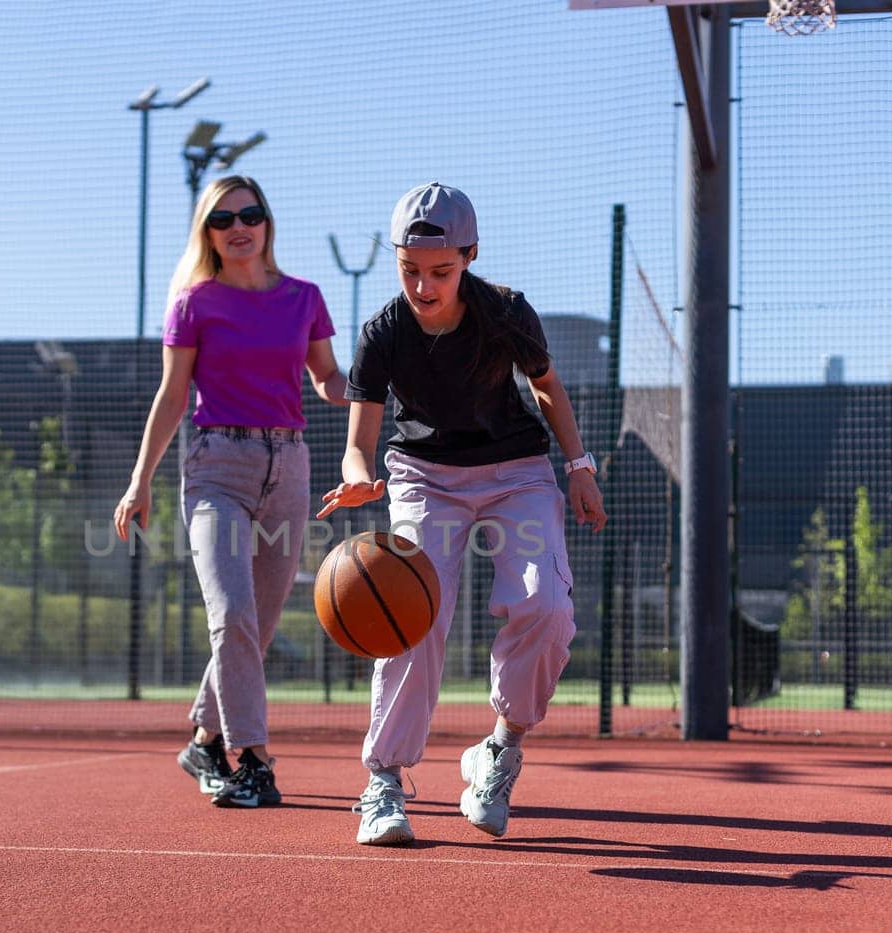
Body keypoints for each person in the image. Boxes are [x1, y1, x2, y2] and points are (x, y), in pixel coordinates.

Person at [318, 183, 606, 845]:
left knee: (547, 608)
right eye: (410, 270)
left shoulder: (504, 311)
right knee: (410, 613)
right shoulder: (383, 332)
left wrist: (580, 466)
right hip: (424, 477)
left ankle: (499, 749)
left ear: (470, 255)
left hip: (516, 471)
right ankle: (383, 782)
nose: (424, 286)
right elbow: (359, 444)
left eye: (440, 271)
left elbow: (546, 386)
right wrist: (360, 480)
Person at [114, 175, 347, 809]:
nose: (238, 225)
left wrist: (370, 388)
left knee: (257, 626)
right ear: (207, 233)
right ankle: (254, 761)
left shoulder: (305, 298)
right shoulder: (195, 302)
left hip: (290, 468)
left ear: (268, 222)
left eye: (249, 214)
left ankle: (203, 740)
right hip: (218, 468)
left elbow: (327, 378)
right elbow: (171, 398)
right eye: (222, 218)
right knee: (233, 616)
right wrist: (139, 482)